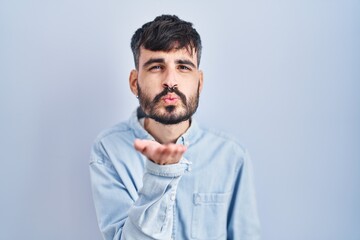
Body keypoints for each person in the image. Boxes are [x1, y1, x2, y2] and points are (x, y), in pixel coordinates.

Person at [89, 14, 261, 240]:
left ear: (199, 83)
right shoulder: (108, 150)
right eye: (156, 66)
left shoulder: (231, 155)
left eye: (183, 67)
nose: (170, 81)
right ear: (134, 82)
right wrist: (158, 175)